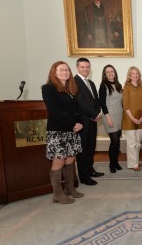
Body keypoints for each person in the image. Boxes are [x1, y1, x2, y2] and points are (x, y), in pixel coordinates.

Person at [42, 61, 84, 204]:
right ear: (54, 72)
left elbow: (77, 109)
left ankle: (70, 189)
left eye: (66, 70)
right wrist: (73, 124)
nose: (64, 72)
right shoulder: (48, 88)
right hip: (58, 130)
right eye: (61, 70)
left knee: (71, 159)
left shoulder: (70, 89)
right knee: (59, 161)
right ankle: (57, 194)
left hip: (72, 130)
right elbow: (54, 111)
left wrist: (79, 123)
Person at [74, 58, 104, 186]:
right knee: (83, 150)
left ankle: (90, 170)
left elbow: (96, 100)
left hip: (93, 120)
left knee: (91, 147)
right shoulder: (74, 82)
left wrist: (98, 113)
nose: (85, 69)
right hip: (83, 121)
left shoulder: (91, 83)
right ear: (77, 68)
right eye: (82, 67)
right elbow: (79, 103)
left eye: (87, 67)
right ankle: (84, 177)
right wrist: (94, 114)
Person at [99, 64, 123, 173]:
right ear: (105, 74)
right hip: (109, 116)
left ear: (115, 73)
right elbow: (102, 104)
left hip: (119, 116)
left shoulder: (118, 85)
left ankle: (116, 162)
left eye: (112, 71)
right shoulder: (103, 86)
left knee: (117, 141)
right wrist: (108, 118)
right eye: (107, 72)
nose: (110, 73)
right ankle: (111, 165)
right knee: (114, 141)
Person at [122, 66, 142, 171]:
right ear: (130, 75)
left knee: (138, 142)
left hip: (140, 117)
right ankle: (133, 164)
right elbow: (125, 105)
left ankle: (135, 162)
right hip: (129, 118)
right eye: (133, 73)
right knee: (131, 143)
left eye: (137, 73)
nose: (135, 75)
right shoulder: (126, 87)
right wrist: (133, 118)